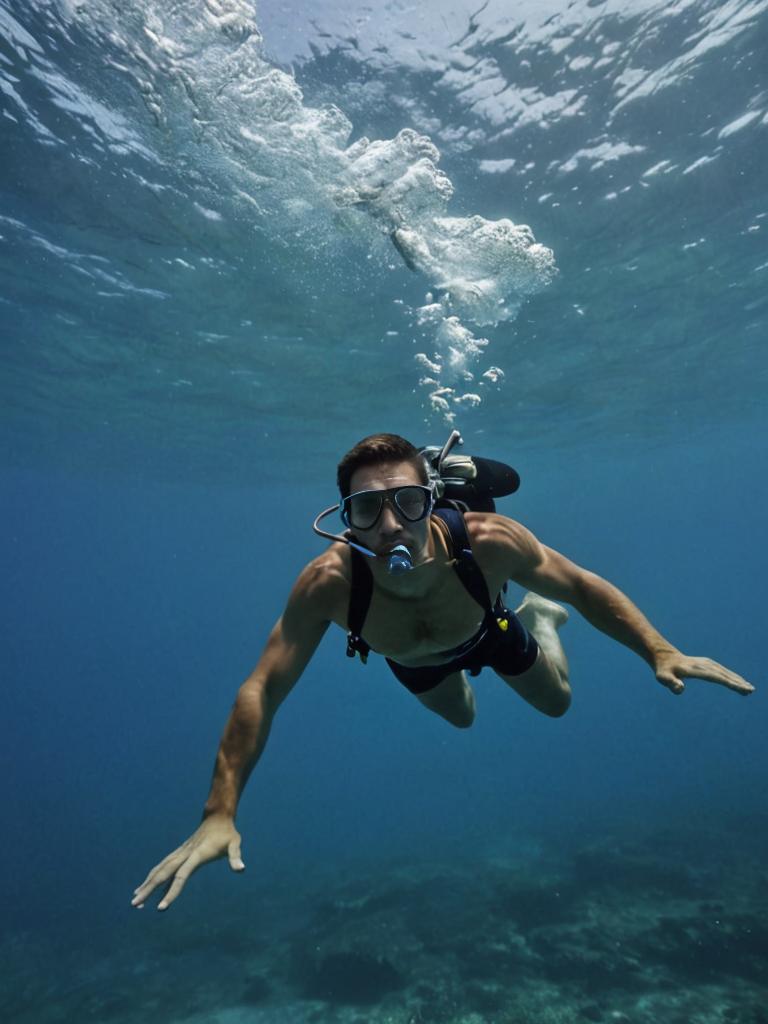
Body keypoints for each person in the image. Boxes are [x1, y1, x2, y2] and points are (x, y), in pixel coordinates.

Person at [132, 433, 754, 911]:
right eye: (368, 509)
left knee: (556, 702)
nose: (391, 525)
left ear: (430, 498)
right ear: (344, 516)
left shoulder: (487, 541)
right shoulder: (327, 584)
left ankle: (540, 620)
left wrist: (658, 650)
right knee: (461, 718)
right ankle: (502, 642)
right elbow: (262, 688)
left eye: (406, 501)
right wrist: (220, 810)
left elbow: (585, 587)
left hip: (486, 627)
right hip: (413, 661)